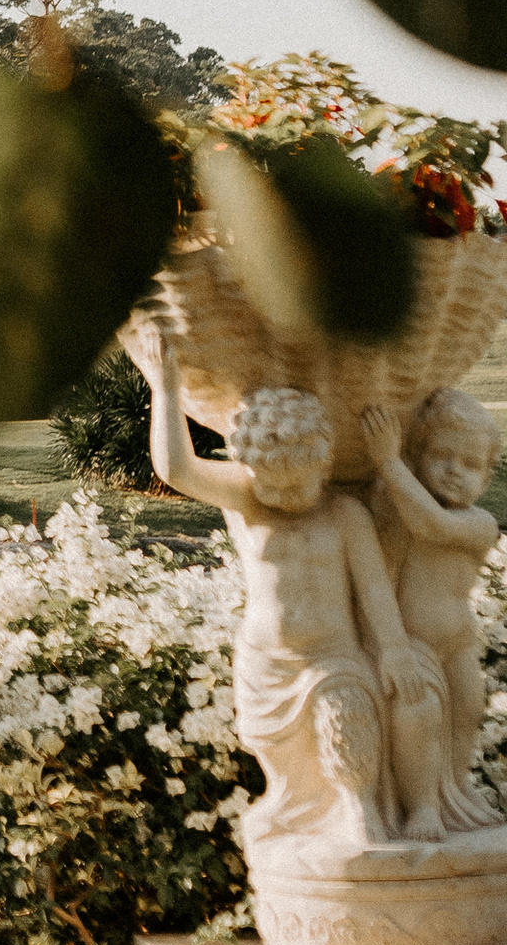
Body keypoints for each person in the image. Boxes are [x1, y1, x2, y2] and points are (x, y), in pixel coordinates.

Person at [146, 336, 436, 848]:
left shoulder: (344, 516)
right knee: (273, 749)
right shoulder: (245, 502)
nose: (284, 499)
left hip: (333, 658)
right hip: (267, 660)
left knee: (348, 721)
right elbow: (177, 469)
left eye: (299, 486)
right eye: (272, 487)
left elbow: (372, 588)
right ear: (249, 471)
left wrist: (393, 648)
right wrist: (165, 388)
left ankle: (359, 806)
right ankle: (294, 803)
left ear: (325, 467)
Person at [364, 389, 501, 839]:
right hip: (414, 640)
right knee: (418, 713)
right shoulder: (402, 508)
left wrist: (389, 461)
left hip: (458, 642)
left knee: (465, 713)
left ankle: (455, 794)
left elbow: (433, 525)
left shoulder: (479, 523)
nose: (454, 472)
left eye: (469, 465)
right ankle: (422, 807)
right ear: (417, 455)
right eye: (442, 456)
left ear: (486, 478)